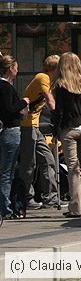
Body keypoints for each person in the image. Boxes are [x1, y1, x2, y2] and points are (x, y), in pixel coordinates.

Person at [52, 52, 81, 218]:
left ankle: (75, 208)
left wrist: (56, 131)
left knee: (72, 169)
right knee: (79, 167)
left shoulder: (60, 84)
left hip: (68, 130)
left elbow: (59, 111)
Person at [17, 55, 59, 211]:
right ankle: (26, 198)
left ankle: (51, 198)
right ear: (55, 68)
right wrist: (57, 115)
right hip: (26, 126)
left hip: (34, 125)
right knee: (29, 164)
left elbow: (41, 106)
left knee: (48, 160)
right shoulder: (43, 77)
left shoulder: (48, 80)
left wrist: (49, 114)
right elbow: (49, 100)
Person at [0, 54, 28, 219]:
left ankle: (7, 206)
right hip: (11, 131)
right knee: (7, 171)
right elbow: (10, 109)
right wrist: (23, 102)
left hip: (8, 131)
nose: (18, 70)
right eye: (16, 67)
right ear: (11, 68)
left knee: (8, 171)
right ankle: (6, 208)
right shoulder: (5, 87)